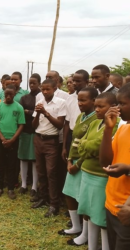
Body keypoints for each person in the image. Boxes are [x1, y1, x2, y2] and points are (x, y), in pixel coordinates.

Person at [72, 92, 119, 250]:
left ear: (113, 107)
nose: (96, 109)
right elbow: (82, 146)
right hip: (87, 173)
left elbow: (98, 146)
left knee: (100, 217)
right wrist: (88, 146)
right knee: (88, 212)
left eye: (101, 106)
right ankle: (91, 246)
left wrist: (87, 145)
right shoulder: (94, 123)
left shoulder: (116, 125)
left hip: (101, 177)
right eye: (96, 106)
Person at [58, 87, 98, 246]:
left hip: (84, 164)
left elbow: (89, 146)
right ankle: (76, 226)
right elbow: (76, 142)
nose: (80, 103)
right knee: (69, 193)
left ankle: (85, 234)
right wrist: (69, 159)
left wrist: (77, 164)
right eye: (78, 100)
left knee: (83, 199)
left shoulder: (96, 119)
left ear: (94, 101)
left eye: (83, 100)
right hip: (73, 161)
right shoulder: (81, 116)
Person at [100, 83, 130, 250]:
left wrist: (127, 169)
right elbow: (105, 162)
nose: (118, 108)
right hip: (112, 205)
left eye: (122, 104)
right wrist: (107, 130)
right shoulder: (123, 129)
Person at [31, 79, 66, 217]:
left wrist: (45, 112)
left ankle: (54, 204)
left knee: (51, 172)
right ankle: (43, 198)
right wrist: (38, 113)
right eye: (43, 89)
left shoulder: (60, 103)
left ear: (55, 88)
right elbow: (34, 125)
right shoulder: (39, 101)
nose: (45, 92)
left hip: (51, 141)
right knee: (40, 171)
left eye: (48, 89)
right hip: (38, 138)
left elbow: (59, 125)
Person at [0, 85, 25, 199]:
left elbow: (21, 125)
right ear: (4, 94)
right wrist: (2, 138)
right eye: (7, 94)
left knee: (12, 164)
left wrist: (12, 139)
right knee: (0, 164)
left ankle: (11, 188)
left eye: (11, 94)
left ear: (15, 94)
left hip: (13, 140)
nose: (9, 96)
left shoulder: (19, 107)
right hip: (0, 139)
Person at [18, 73, 41, 196]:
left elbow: (41, 112)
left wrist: (29, 111)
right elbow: (21, 112)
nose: (32, 85)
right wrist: (31, 112)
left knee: (34, 159)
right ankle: (23, 184)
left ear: (39, 84)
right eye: (30, 83)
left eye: (34, 83)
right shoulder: (24, 97)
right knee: (23, 158)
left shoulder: (42, 97)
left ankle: (34, 186)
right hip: (25, 130)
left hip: (36, 131)